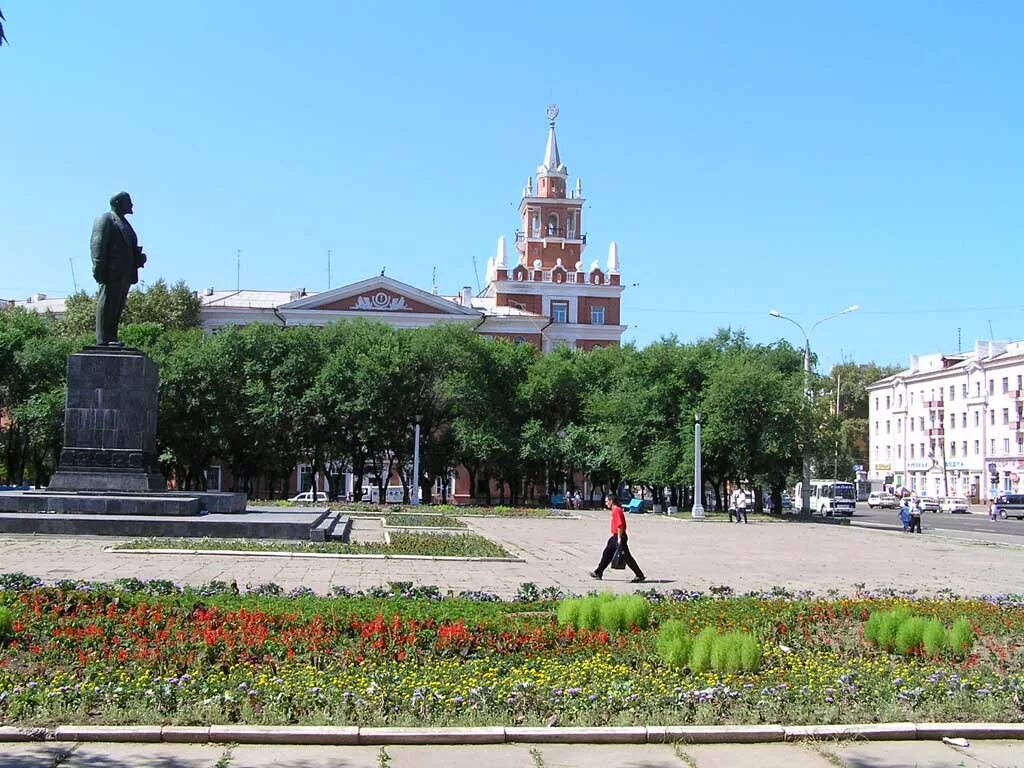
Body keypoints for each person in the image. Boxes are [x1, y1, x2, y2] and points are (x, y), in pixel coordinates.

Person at [91, 191, 147, 346]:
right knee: (108, 302)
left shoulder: (125, 223)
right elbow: (97, 244)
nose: (132, 205)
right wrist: (98, 266)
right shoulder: (105, 219)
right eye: (129, 201)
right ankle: (103, 340)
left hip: (126, 272)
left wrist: (138, 258)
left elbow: (128, 247)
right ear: (118, 202)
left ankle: (111, 337)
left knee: (117, 306)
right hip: (111, 271)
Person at [590, 493, 645, 583]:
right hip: (615, 537)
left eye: (607, 501)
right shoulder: (615, 510)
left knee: (627, 557)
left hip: (619, 536)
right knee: (607, 553)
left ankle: (639, 575)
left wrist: (619, 538)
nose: (606, 503)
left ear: (611, 501)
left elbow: (620, 525)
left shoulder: (617, 510)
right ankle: (598, 572)